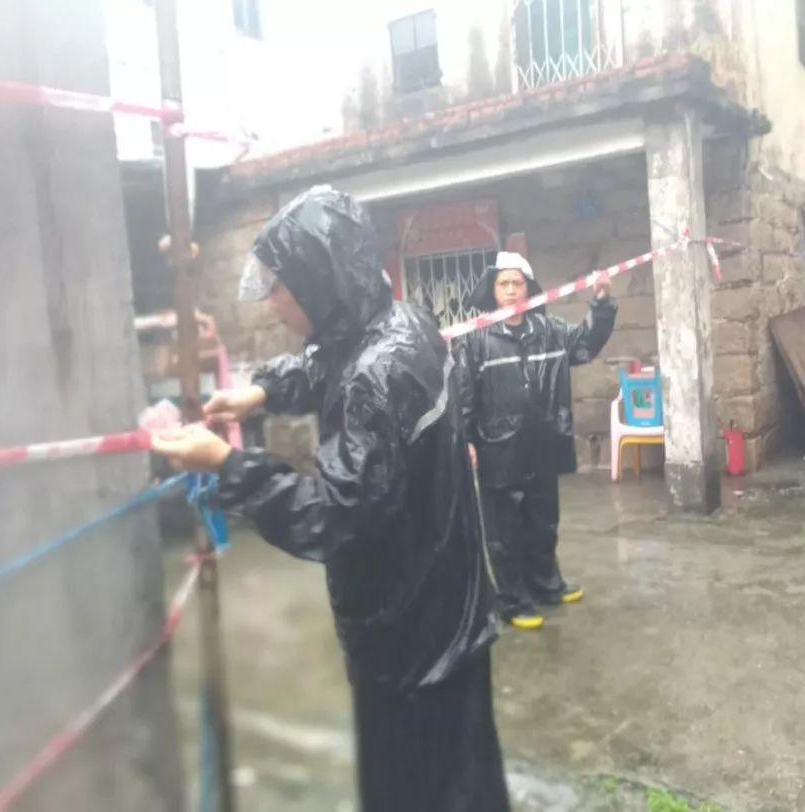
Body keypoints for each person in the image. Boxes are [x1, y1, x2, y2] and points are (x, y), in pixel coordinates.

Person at [150, 186, 511, 810]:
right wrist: (262, 392)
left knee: (420, 792)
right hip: (447, 611)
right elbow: (329, 361)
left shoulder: (375, 377)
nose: (273, 302)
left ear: (319, 282)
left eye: (282, 287)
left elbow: (335, 517)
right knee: (466, 778)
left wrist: (229, 466)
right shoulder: (403, 325)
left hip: (409, 644)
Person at [455, 252, 617, 630]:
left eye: (518, 283)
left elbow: (587, 343)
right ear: (493, 290)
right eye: (504, 284)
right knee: (504, 532)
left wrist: (602, 303)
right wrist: (467, 440)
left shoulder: (550, 330)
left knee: (543, 522)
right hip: (498, 450)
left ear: (528, 288)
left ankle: (546, 585)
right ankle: (512, 601)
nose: (511, 290)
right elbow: (463, 393)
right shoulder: (475, 338)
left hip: (542, 444)